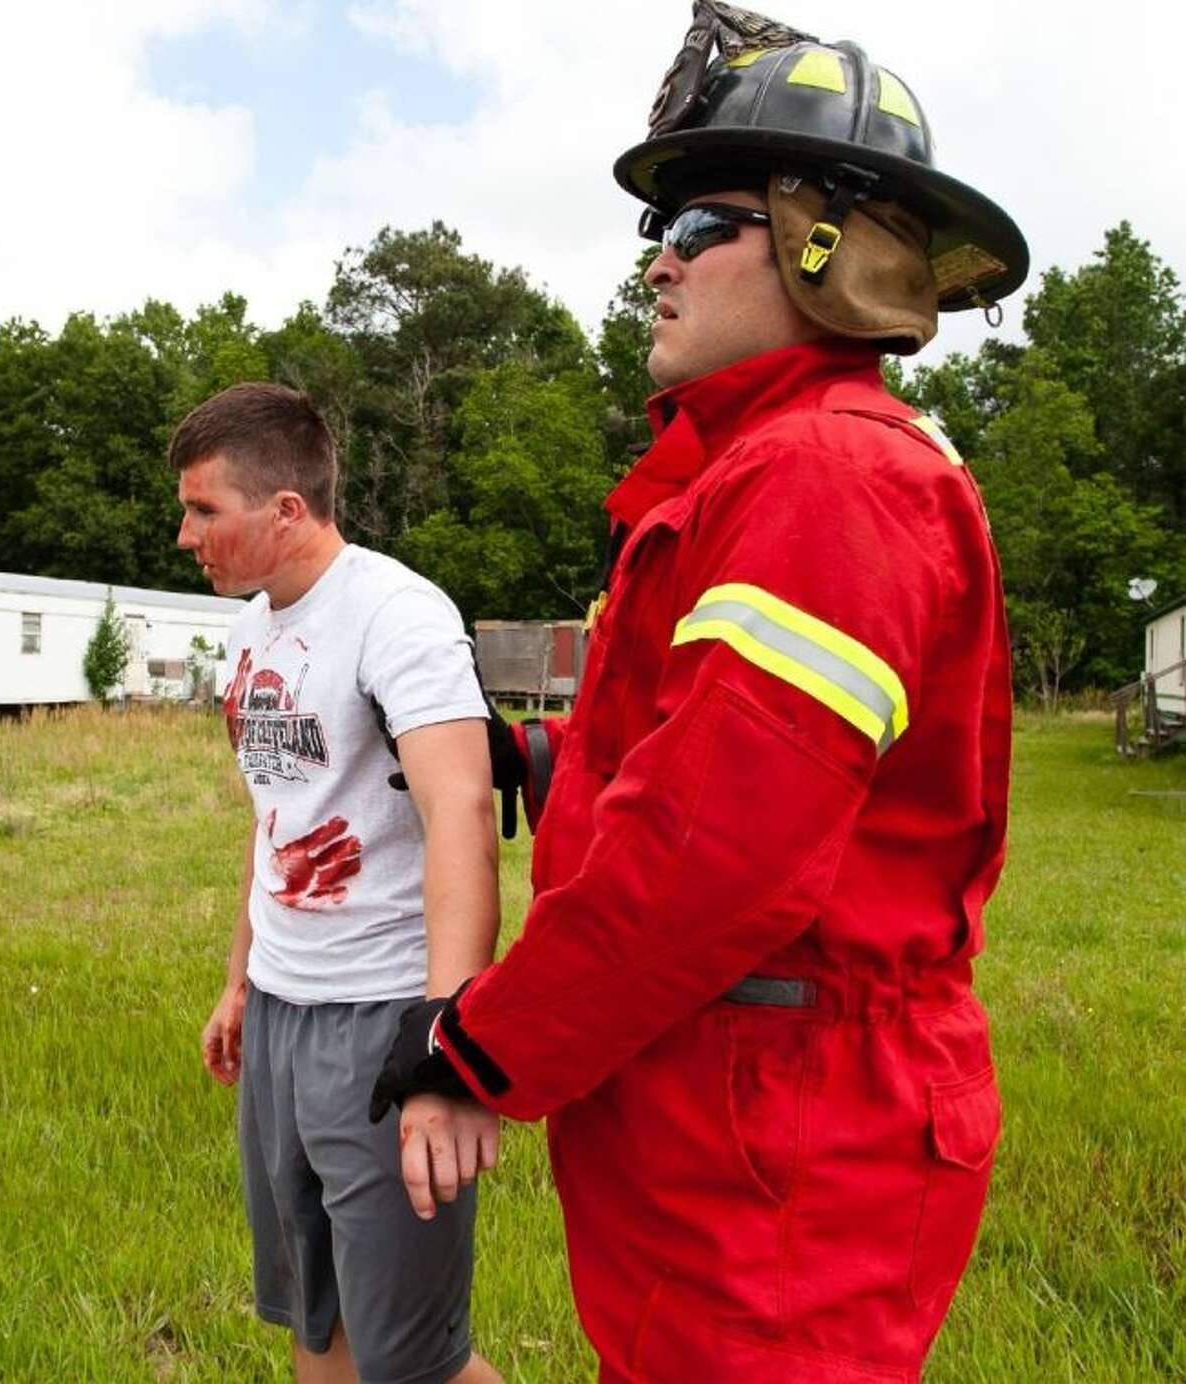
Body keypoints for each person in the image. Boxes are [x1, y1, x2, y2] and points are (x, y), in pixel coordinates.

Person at [373, 4, 1029, 1380]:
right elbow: (706, 752)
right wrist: (546, 760)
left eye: (693, 229)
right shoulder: (752, 473)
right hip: (729, 1117)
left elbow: (716, 860)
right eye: (652, 237)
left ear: (823, 242)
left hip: (786, 1146)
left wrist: (483, 1049)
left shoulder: (825, 477)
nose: (653, 271)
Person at [173, 381, 503, 1384]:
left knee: (416, 1361)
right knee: (318, 1323)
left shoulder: (397, 614)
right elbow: (278, 814)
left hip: (383, 1018)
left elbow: (464, 815)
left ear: (286, 509)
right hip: (282, 1013)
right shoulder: (249, 633)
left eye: (204, 511)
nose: (187, 537)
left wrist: (447, 1047)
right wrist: (241, 981)